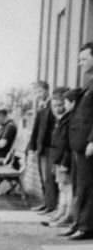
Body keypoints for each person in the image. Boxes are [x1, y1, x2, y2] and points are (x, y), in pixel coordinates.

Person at [64, 43, 93, 240]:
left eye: (84, 59)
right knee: (78, 186)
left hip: (87, 145)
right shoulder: (88, 82)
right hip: (78, 145)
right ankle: (77, 223)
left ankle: (85, 226)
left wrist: (92, 140)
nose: (80, 63)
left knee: (87, 187)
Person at [41, 88, 74, 227]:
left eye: (61, 105)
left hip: (65, 160)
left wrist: (64, 161)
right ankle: (60, 212)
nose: (58, 109)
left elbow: (68, 144)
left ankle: (67, 214)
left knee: (67, 187)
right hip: (57, 159)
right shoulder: (59, 121)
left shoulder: (68, 120)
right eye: (55, 106)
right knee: (61, 186)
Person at [26, 80, 56, 212]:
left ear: (45, 90)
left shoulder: (52, 106)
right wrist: (31, 146)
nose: (36, 95)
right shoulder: (41, 106)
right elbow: (36, 128)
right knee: (43, 177)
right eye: (35, 92)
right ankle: (46, 202)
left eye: (38, 91)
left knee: (49, 177)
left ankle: (51, 205)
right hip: (40, 147)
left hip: (49, 146)